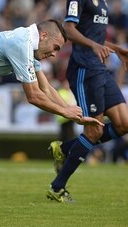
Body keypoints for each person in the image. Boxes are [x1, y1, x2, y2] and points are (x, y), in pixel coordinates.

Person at [46, 0, 128, 203]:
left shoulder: (103, 3)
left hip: (100, 69)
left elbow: (94, 37)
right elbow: (68, 29)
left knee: (124, 123)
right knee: (94, 130)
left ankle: (64, 149)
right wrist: (93, 46)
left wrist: (117, 49)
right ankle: (57, 187)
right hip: (84, 69)